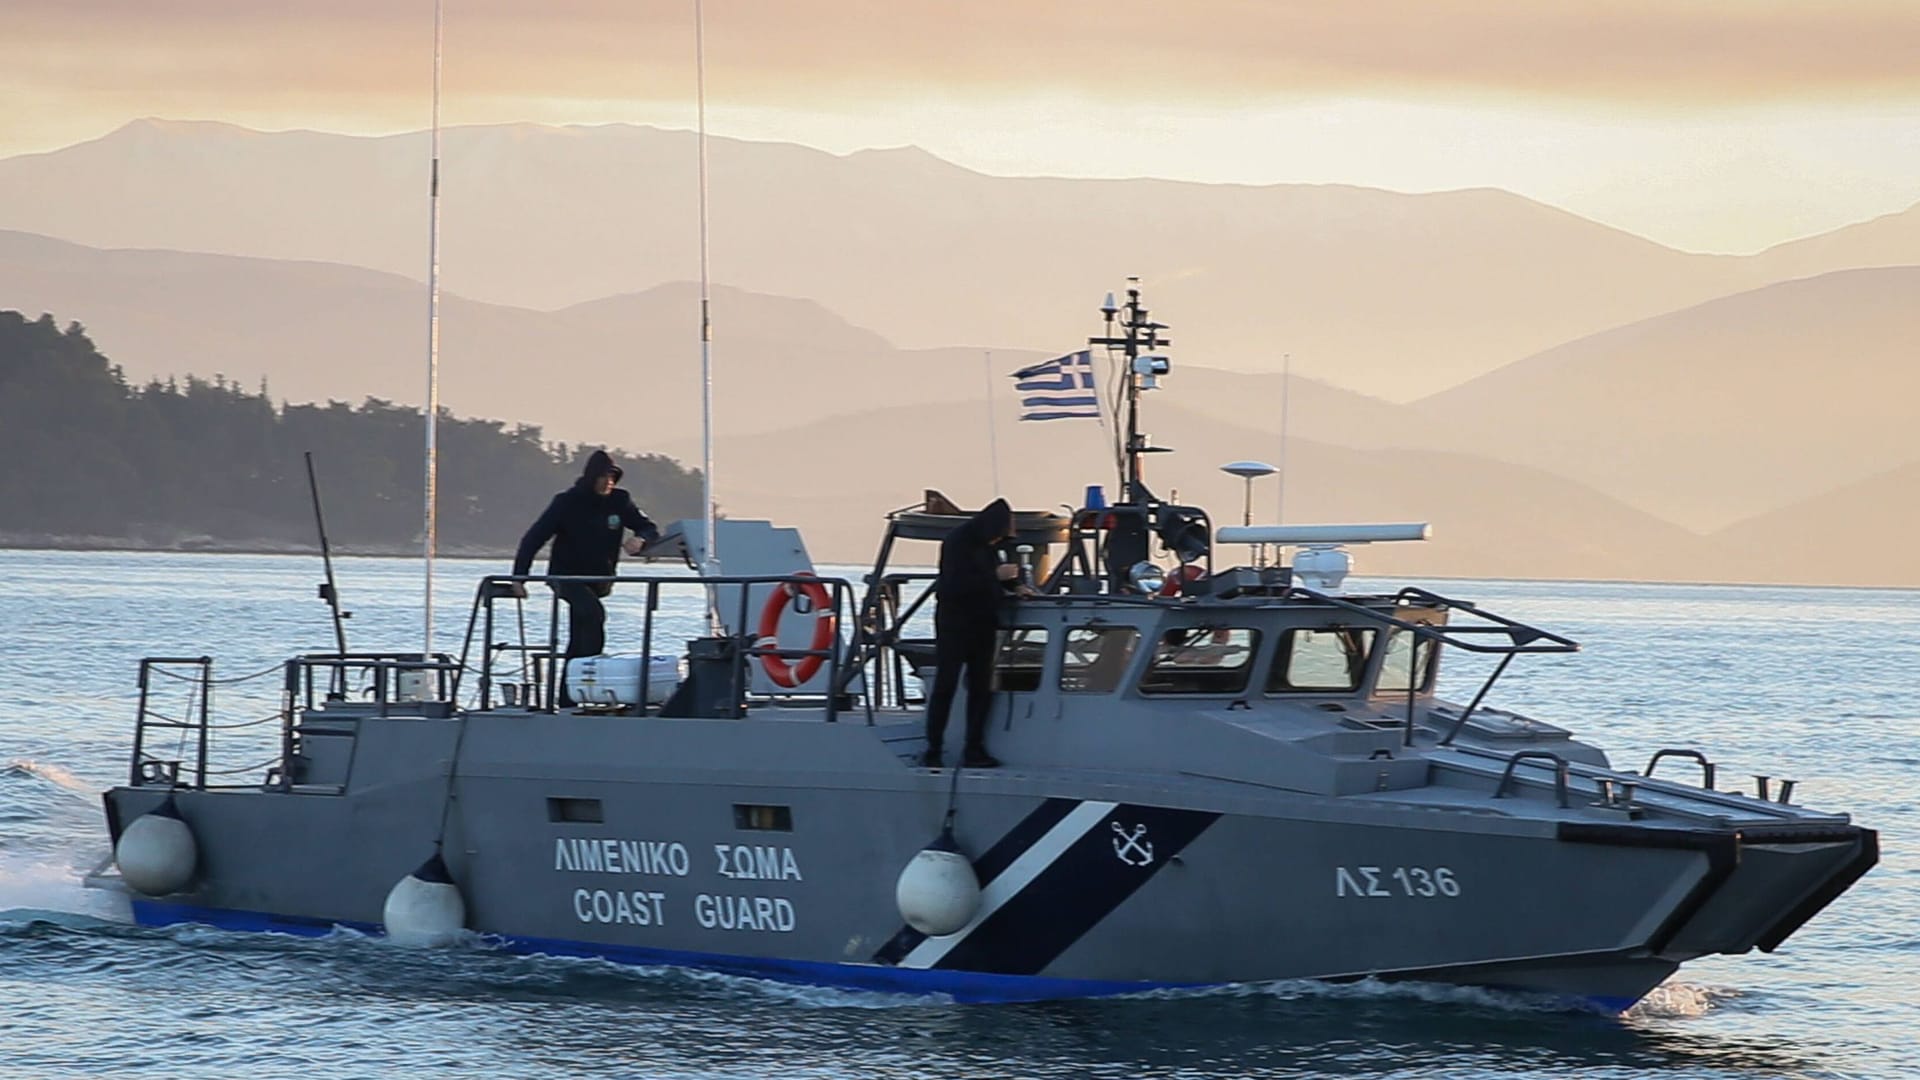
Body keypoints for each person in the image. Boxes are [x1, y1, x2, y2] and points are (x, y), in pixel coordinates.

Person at [512, 450, 661, 704]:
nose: (608, 483)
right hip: (565, 577)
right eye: (604, 477)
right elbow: (534, 538)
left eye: (613, 478)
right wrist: (519, 577)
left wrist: (641, 539)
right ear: (592, 477)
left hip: (599, 578)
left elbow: (649, 527)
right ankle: (585, 681)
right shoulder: (567, 502)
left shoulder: (619, 501)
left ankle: (568, 696)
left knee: (579, 636)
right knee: (593, 615)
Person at [923, 498, 1028, 769]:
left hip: (983, 621)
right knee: (945, 685)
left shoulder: (990, 547)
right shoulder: (957, 543)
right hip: (955, 623)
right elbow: (957, 582)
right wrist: (997, 577)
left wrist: (1016, 586)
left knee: (981, 687)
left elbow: (993, 576)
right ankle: (933, 747)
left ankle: (974, 747)